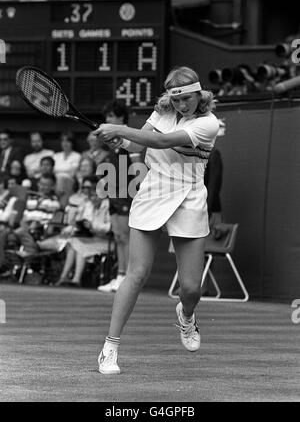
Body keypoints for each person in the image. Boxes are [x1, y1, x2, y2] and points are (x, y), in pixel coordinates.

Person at [93, 66, 219, 374]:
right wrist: (120, 142)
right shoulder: (160, 113)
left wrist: (120, 129)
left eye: (187, 99)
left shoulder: (208, 123)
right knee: (136, 275)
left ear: (198, 95)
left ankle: (186, 316)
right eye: (176, 101)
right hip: (153, 191)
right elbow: (139, 145)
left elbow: (162, 143)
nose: (182, 105)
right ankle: (109, 348)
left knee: (191, 289)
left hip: (189, 196)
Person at [96, 101, 139, 294]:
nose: (108, 121)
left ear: (122, 119)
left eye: (112, 117)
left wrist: (138, 194)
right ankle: (120, 276)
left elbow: (137, 168)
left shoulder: (129, 141)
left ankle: (128, 277)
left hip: (126, 195)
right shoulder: (113, 144)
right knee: (119, 237)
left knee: (125, 237)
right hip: (113, 195)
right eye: (107, 117)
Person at [55, 177, 110, 286]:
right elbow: (82, 219)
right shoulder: (90, 205)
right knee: (71, 243)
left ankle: (76, 279)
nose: (93, 199)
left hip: (107, 242)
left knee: (78, 245)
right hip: (94, 238)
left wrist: (92, 226)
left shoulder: (108, 206)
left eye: (96, 196)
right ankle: (64, 277)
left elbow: (109, 228)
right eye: (91, 196)